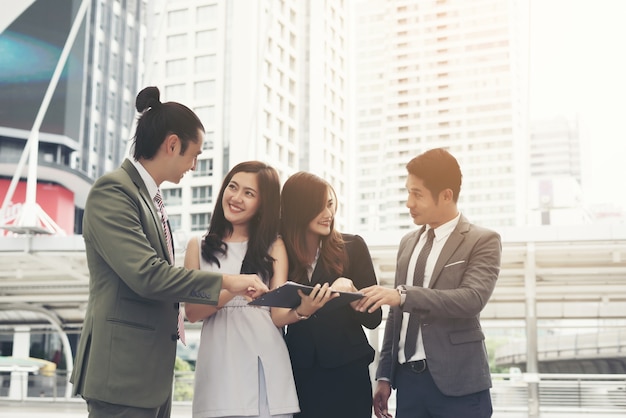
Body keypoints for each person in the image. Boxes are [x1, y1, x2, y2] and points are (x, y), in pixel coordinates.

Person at [70, 86, 268, 418]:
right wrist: (229, 282)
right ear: (172, 144)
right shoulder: (114, 191)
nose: (194, 165)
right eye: (195, 154)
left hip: (147, 377)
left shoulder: (150, 199)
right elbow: (147, 275)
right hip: (122, 376)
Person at [355, 148, 502, 418]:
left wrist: (402, 296)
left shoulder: (482, 240)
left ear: (446, 195)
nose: (409, 203)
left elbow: (471, 299)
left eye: (417, 194)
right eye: (408, 192)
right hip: (409, 384)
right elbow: (396, 314)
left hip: (460, 386)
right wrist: (384, 376)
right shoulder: (408, 243)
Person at [184, 161, 300, 418]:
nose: (236, 198)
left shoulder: (274, 246)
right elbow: (192, 311)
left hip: (264, 360)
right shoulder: (198, 246)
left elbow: (278, 315)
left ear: (263, 204)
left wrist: (305, 309)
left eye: (249, 193)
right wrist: (235, 287)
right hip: (218, 364)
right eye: (232, 187)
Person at [280, 171, 383, 418]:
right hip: (299, 372)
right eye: (319, 206)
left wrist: (355, 296)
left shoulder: (352, 247)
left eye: (330, 204)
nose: (328, 214)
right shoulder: (280, 252)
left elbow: (374, 318)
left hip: (348, 372)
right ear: (298, 208)